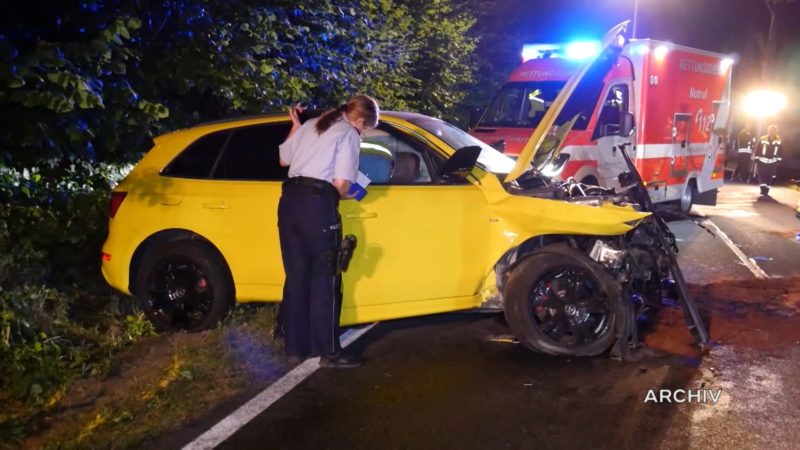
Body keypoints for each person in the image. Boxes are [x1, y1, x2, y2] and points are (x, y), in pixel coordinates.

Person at [277, 95, 379, 368]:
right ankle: (330, 352)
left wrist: (295, 125)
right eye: (365, 128)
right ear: (358, 121)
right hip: (316, 207)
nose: (363, 133)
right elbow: (341, 185)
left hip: (288, 205)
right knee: (326, 281)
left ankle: (295, 350)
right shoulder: (348, 134)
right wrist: (354, 192)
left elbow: (283, 160)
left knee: (297, 278)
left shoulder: (311, 124)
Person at [753, 124, 782, 195]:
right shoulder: (763, 138)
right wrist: (756, 158)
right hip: (762, 160)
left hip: (773, 161)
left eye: (773, 131)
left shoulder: (779, 140)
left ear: (776, 132)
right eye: (770, 130)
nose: (772, 132)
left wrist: (779, 159)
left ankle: (767, 189)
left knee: (770, 175)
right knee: (762, 175)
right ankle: (763, 189)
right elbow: (758, 148)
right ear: (768, 131)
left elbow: (781, 150)